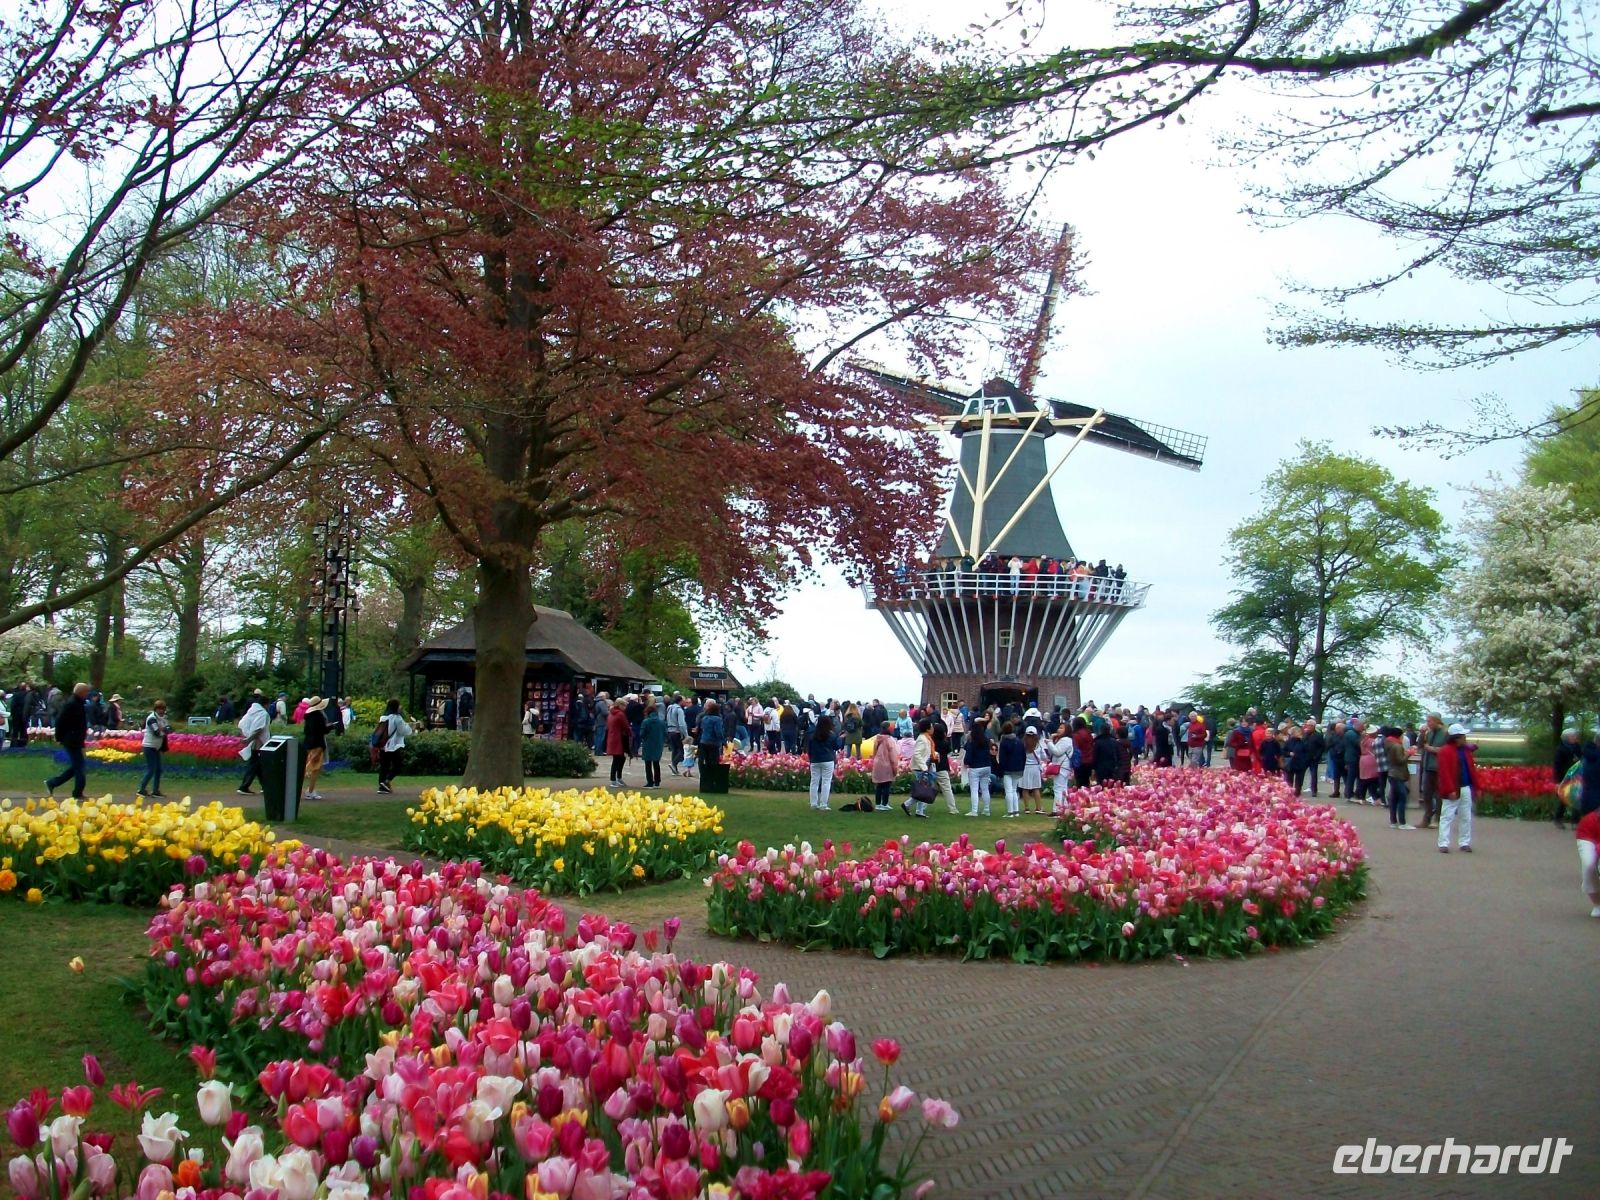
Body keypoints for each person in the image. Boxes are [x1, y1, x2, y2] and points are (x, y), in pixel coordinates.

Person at [1434, 723, 1477, 853]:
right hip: (1454, 788)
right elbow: (1444, 772)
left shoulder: (1465, 750)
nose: (1465, 739)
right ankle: (1443, 843)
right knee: (1447, 816)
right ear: (1456, 738)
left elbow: (1471, 769)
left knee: (1466, 816)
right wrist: (1450, 789)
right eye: (1463, 736)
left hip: (1465, 786)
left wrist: (1475, 786)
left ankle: (1464, 842)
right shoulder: (1445, 751)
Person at [42, 682, 90, 799]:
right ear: (81, 692)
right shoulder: (71, 704)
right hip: (71, 739)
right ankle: (77, 792)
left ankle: (52, 783)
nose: (87, 695)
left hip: (76, 739)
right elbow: (60, 721)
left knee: (76, 767)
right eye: (86, 692)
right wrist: (59, 737)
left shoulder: (78, 704)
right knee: (79, 767)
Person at [1415, 713, 1449, 829]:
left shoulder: (1445, 733)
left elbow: (1448, 750)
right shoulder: (1428, 733)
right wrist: (1422, 733)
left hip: (1439, 767)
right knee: (1427, 794)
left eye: (1429, 721)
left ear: (1437, 721)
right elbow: (1420, 745)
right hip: (1428, 766)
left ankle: (1437, 819)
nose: (1427, 723)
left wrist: (1433, 749)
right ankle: (1427, 817)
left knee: (1439, 794)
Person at [375, 699, 413, 794]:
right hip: (392, 745)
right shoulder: (397, 718)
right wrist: (411, 727)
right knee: (398, 765)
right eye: (399, 705)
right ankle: (386, 781)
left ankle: (382, 786)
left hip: (383, 745)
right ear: (395, 706)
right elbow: (403, 731)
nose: (401, 707)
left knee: (384, 766)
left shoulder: (383, 717)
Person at [806, 714, 840, 810]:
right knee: (826, 782)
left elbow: (809, 749)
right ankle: (823, 804)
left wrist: (811, 758)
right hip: (828, 759)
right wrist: (840, 738)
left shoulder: (813, 735)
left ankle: (813, 803)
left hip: (815, 760)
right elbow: (836, 746)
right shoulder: (831, 735)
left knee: (814, 782)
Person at [903, 718, 935, 819]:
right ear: (927, 728)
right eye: (931, 726)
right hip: (921, 768)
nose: (932, 728)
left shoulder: (927, 738)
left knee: (923, 789)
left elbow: (925, 753)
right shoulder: (922, 739)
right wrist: (924, 767)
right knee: (922, 790)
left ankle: (919, 811)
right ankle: (908, 805)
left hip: (925, 766)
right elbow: (917, 753)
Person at [1383, 726, 1414, 828]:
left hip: (1392, 773)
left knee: (1394, 798)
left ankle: (1393, 821)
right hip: (1398, 773)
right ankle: (1402, 822)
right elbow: (1400, 760)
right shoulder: (1397, 746)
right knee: (1402, 797)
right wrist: (1408, 754)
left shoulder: (1387, 743)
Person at [301, 696, 330, 801]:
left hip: (308, 743)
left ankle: (310, 790)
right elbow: (322, 730)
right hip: (317, 744)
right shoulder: (318, 716)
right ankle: (310, 791)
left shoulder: (308, 716)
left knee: (310, 765)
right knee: (315, 768)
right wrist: (330, 727)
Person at [964, 715, 993, 816]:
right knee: (985, 789)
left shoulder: (972, 742)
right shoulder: (986, 741)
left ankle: (974, 810)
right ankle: (986, 809)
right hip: (986, 766)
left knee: (974, 790)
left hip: (975, 767)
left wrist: (967, 762)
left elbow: (968, 755)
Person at [1553, 728, 1582, 830]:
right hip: (1564, 777)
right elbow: (1557, 766)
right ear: (1568, 737)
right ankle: (1558, 819)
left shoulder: (1577, 747)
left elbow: (1581, 759)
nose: (1576, 737)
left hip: (1576, 776)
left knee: (1577, 798)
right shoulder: (1560, 749)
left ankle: (1575, 822)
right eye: (1574, 736)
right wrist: (1557, 781)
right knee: (1564, 799)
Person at [931, 718, 959, 815]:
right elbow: (948, 751)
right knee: (947, 788)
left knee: (928, 788)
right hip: (942, 766)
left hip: (931, 766)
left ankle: (917, 806)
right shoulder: (944, 743)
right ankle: (952, 808)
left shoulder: (931, 742)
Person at [870, 720, 898, 811]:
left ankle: (878, 804)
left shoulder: (877, 738)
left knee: (879, 785)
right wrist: (895, 768)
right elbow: (893, 755)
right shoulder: (890, 740)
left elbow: (874, 752)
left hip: (878, 763)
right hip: (887, 764)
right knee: (886, 785)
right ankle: (884, 803)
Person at [1019, 725, 1047, 815]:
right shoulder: (1039, 745)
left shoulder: (1023, 744)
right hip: (1035, 767)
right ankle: (1038, 808)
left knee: (1025, 788)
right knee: (1036, 788)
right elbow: (1044, 757)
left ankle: (1027, 808)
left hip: (1025, 767)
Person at [639, 699, 665, 788]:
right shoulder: (662, 722)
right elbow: (665, 733)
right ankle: (657, 782)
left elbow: (641, 734)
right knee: (656, 763)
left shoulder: (645, 722)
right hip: (658, 744)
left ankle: (650, 781)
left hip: (648, 744)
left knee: (648, 764)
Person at [605, 700, 630, 786]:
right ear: (620, 705)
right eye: (624, 706)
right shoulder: (620, 714)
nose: (625, 708)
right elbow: (626, 726)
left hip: (612, 737)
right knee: (618, 759)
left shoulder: (611, 714)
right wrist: (630, 734)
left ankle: (616, 778)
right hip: (619, 738)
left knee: (618, 758)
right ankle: (615, 779)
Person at [1356, 724, 1381, 805]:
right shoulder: (1373, 741)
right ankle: (1375, 798)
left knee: (1363, 779)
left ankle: (1362, 798)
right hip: (1372, 759)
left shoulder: (1363, 741)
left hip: (1363, 759)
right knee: (1373, 779)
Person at [697, 699, 725, 767]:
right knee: (714, 761)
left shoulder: (704, 718)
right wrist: (723, 741)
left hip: (703, 741)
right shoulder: (717, 719)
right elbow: (718, 732)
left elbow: (701, 728)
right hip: (713, 743)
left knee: (706, 760)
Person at [665, 695, 689, 776]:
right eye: (683, 700)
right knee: (681, 751)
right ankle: (673, 764)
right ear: (680, 701)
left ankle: (674, 768)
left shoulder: (669, 708)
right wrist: (686, 734)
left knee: (674, 749)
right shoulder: (679, 710)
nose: (684, 702)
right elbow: (682, 724)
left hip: (669, 730)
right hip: (676, 731)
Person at [1092, 721, 1119, 786]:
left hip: (1100, 768)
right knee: (1111, 786)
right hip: (1112, 767)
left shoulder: (1097, 742)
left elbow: (1095, 756)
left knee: (1101, 786)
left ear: (1101, 730)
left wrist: (1093, 768)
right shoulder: (1114, 741)